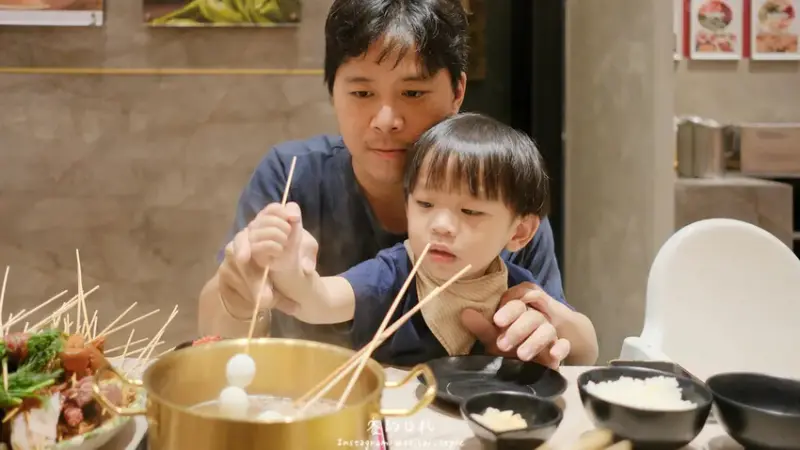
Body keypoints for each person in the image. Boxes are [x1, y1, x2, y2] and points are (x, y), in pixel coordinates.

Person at [197, 0, 590, 366]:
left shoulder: (498, 196)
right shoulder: (293, 174)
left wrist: (549, 328)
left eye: (413, 92)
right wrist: (240, 294)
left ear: (457, 92)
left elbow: (581, 351)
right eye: (362, 92)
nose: (386, 119)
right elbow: (220, 343)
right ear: (332, 92)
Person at [250, 113, 598, 367]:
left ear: (519, 232)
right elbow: (319, 301)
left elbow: (587, 350)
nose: (442, 225)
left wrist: (555, 322)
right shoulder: (394, 273)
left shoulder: (516, 288)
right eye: (426, 204)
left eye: (471, 212)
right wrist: (288, 267)